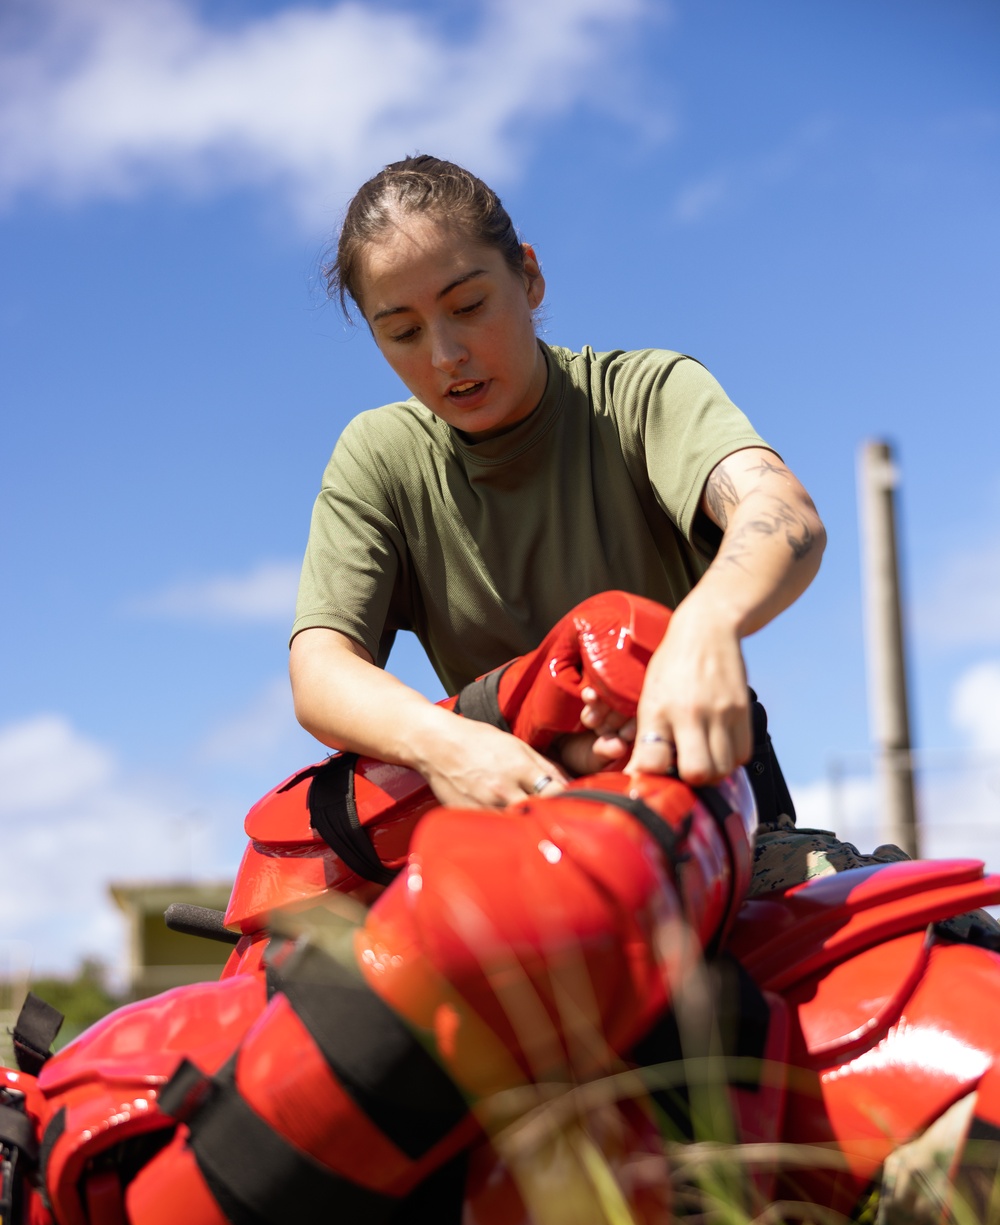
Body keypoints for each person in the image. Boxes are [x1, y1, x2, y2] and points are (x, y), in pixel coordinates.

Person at [290, 154, 834, 878]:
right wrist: (444, 745)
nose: (446, 355)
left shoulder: (645, 394)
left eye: (468, 305)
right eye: (404, 331)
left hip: (705, 802)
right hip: (509, 818)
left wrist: (704, 627)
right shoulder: (379, 456)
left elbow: (780, 510)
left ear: (530, 277)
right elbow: (321, 668)